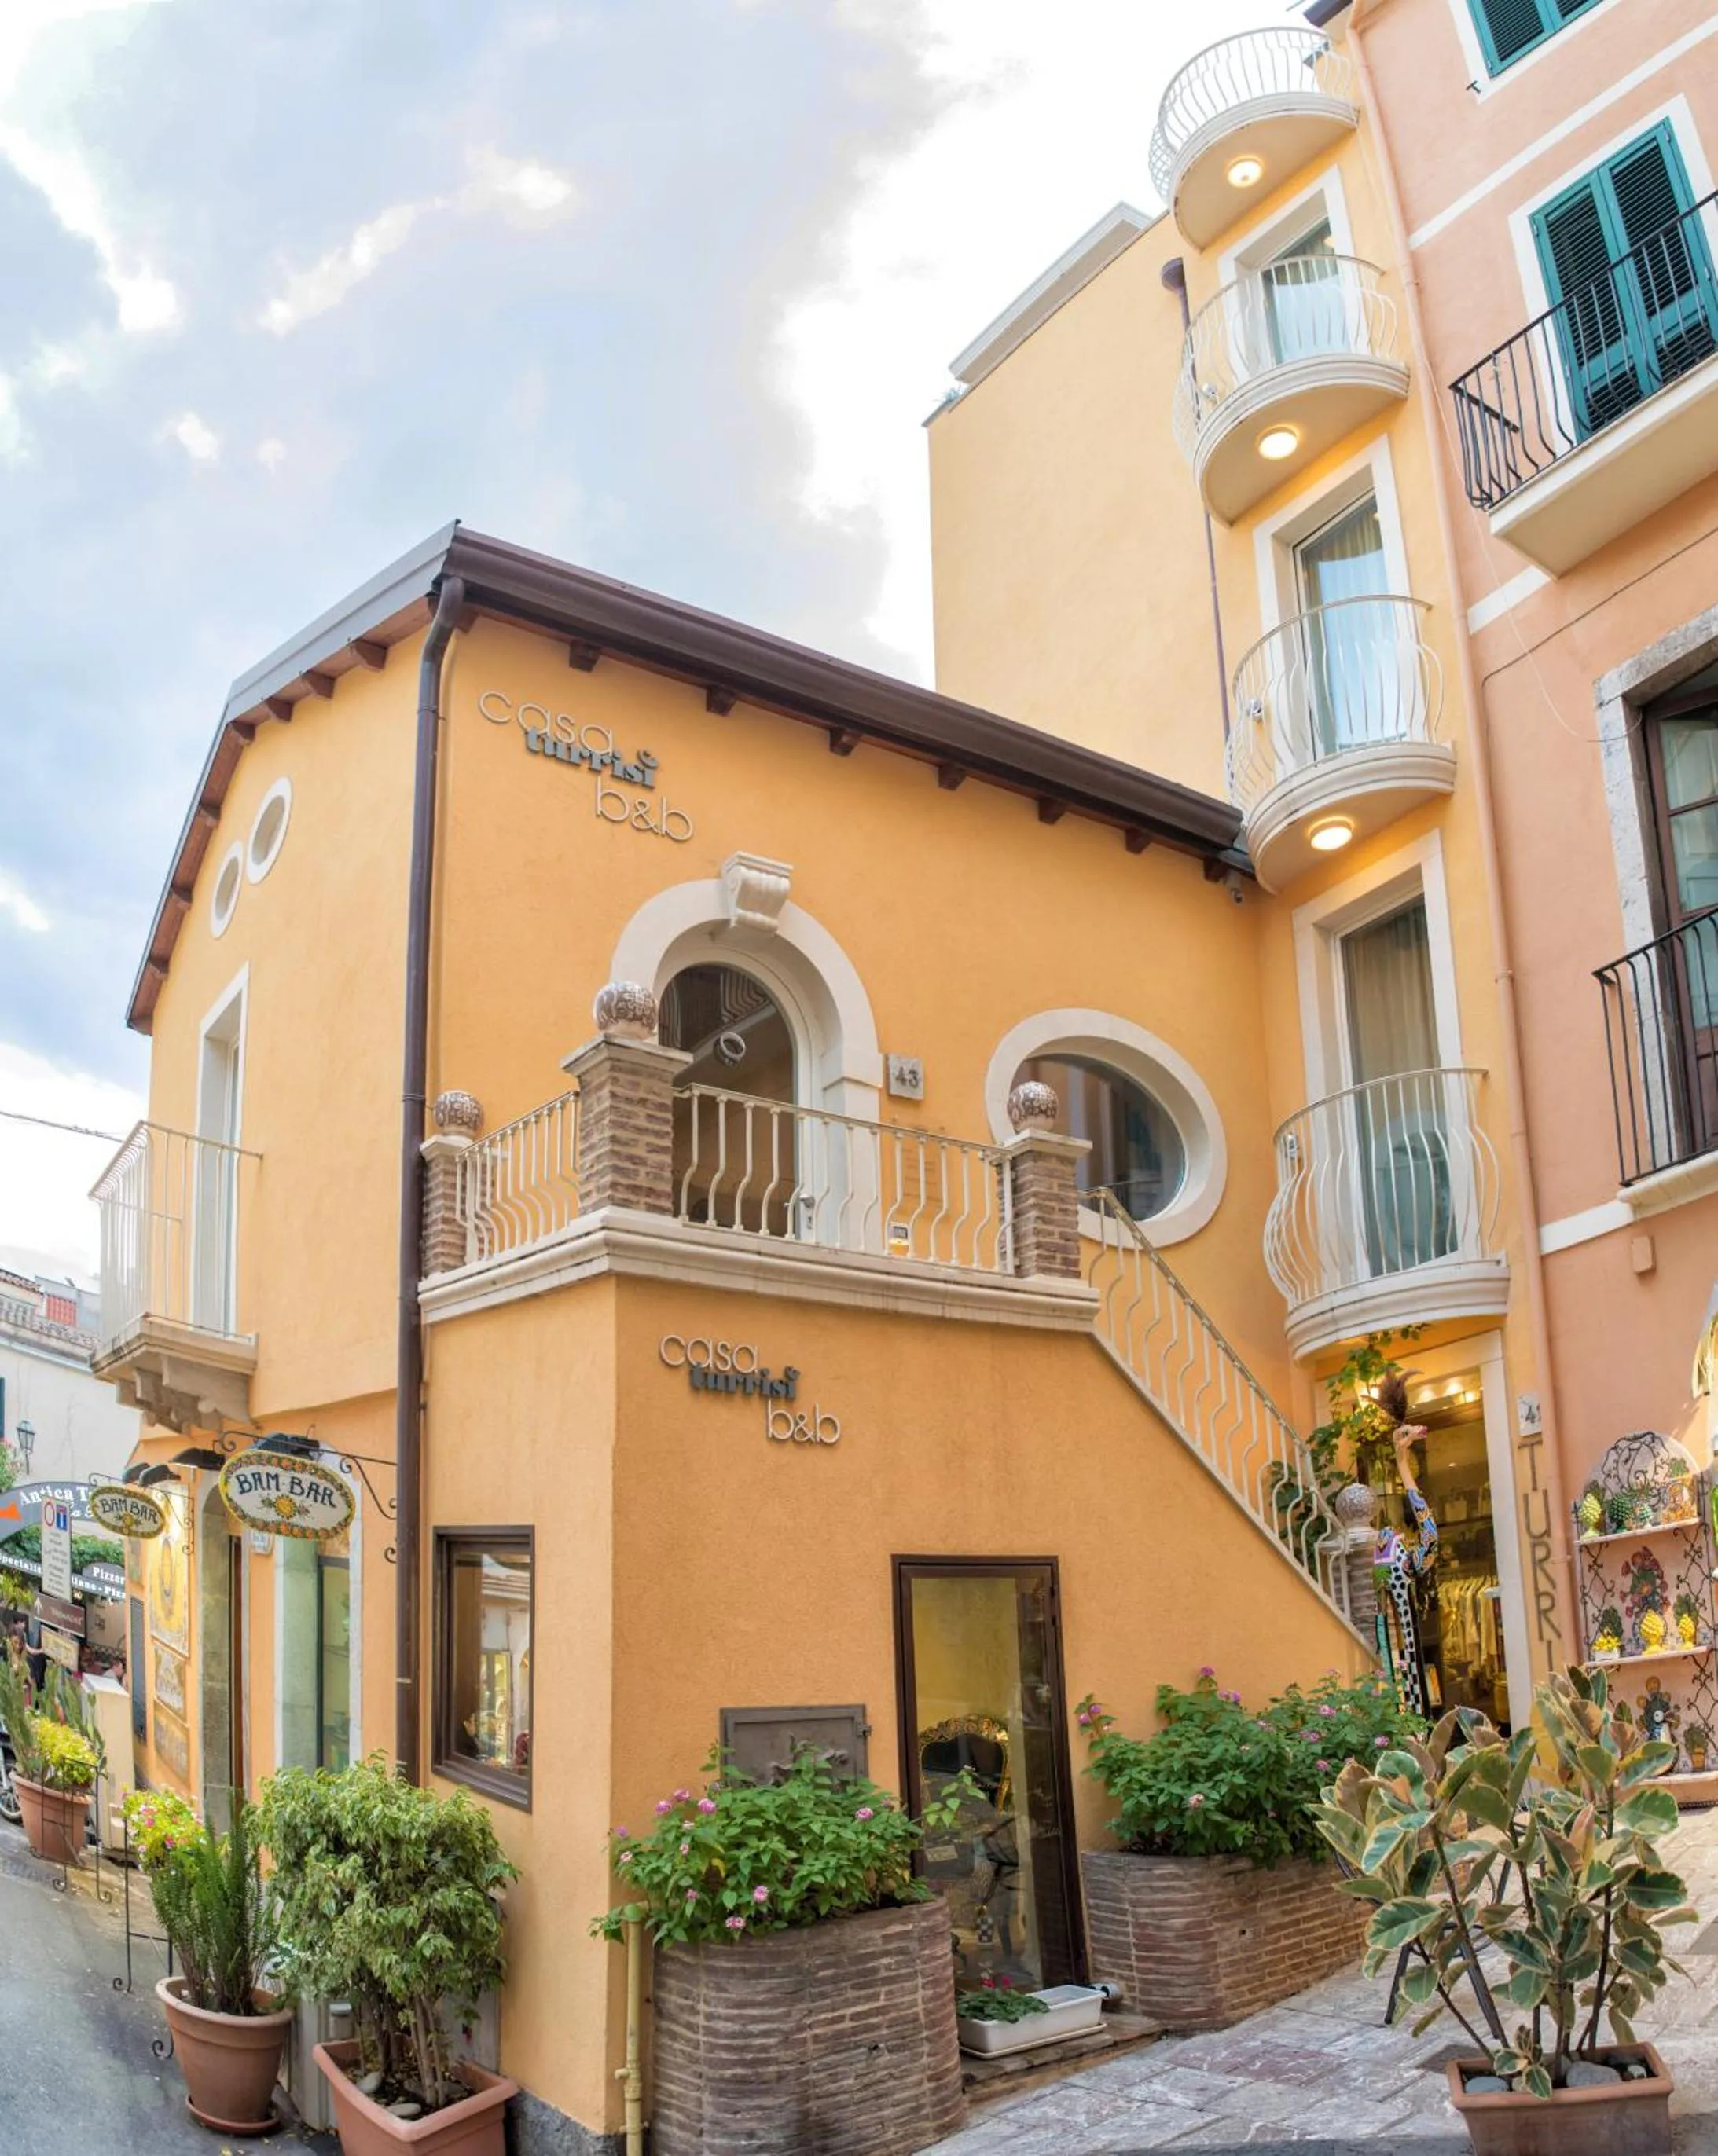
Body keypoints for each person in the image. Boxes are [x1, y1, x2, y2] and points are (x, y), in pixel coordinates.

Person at [1371, 1373, 1439, 1717]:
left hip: (1398, 1660)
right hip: (1397, 1658)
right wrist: (1404, 1467)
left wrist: (1403, 1465)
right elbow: (1431, 1535)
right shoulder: (1391, 1547)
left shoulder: (1386, 1546)